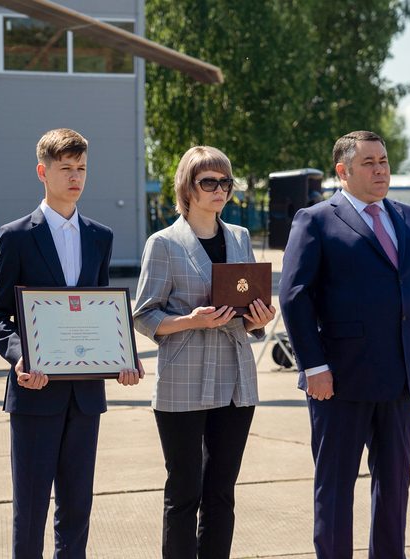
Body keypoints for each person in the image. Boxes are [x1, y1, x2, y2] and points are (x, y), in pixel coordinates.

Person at [278, 130, 410, 559]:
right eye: (369, 162)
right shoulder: (315, 219)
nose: (380, 170)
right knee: (334, 488)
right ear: (343, 171)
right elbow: (295, 296)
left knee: (394, 488)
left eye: (384, 161)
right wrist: (312, 367)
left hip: (402, 379)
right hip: (340, 381)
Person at [0, 128, 143, 558]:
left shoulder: (100, 237)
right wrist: (20, 358)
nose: (76, 177)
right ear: (43, 171)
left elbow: (101, 311)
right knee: (31, 509)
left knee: (77, 508)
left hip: (86, 394)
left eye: (82, 168)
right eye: (66, 168)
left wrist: (122, 357)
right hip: (36, 392)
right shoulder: (16, 236)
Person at [133, 146, 275, 559]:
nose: (219, 190)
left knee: (221, 493)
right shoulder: (163, 244)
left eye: (225, 182)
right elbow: (143, 316)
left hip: (236, 379)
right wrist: (192, 320)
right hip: (184, 380)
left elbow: (248, 316)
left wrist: (259, 317)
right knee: (183, 493)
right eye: (208, 182)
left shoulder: (240, 237)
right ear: (187, 188)